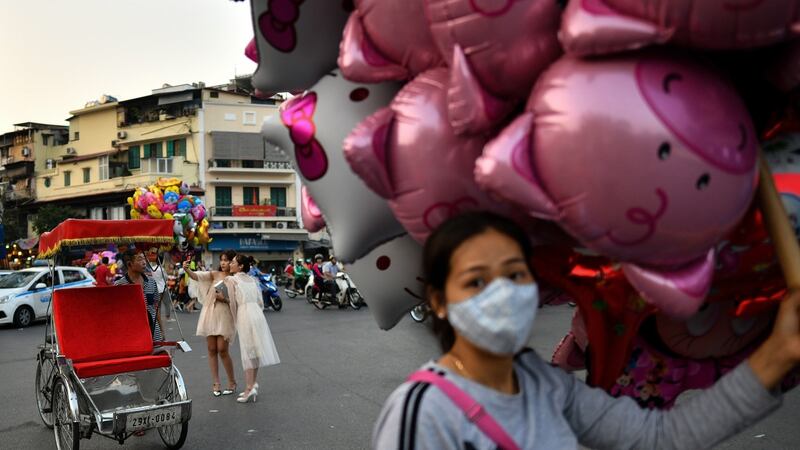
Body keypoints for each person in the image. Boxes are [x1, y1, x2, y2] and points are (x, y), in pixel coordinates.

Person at [373, 212, 800, 449]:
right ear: (439, 302)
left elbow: (661, 437)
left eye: (515, 274)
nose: (502, 294)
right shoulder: (422, 411)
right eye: (476, 281)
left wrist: (777, 353)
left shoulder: (546, 386)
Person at [220, 254, 280, 403]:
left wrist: (235, 319)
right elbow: (260, 302)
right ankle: (252, 384)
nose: (230, 264)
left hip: (245, 313)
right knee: (256, 350)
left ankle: (248, 388)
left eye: (233, 262)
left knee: (247, 352)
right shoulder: (253, 280)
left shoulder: (231, 280)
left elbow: (233, 303)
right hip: (257, 314)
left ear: (240, 266)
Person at [184, 250, 238, 397]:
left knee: (222, 349)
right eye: (222, 260)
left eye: (227, 260)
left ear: (233, 261)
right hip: (210, 313)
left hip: (225, 314)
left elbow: (238, 301)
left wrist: (224, 299)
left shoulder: (235, 278)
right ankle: (216, 383)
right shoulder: (214, 274)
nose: (223, 263)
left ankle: (232, 382)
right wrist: (186, 269)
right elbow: (196, 276)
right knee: (211, 349)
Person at [115, 250, 162, 342]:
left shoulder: (151, 282)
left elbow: (156, 307)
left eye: (144, 259)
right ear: (129, 264)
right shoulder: (120, 285)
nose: (144, 262)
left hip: (154, 332)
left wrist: (162, 330)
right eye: (139, 259)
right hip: (132, 333)